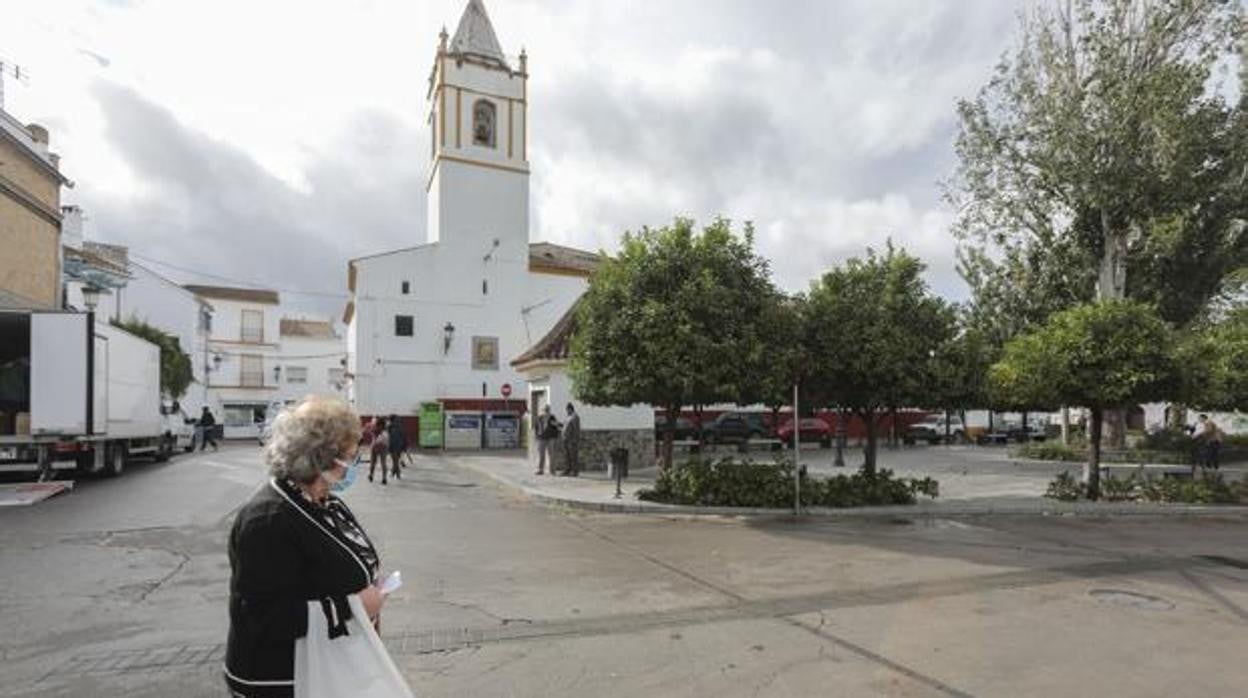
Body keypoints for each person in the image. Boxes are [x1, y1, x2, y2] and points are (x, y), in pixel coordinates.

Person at [224, 396, 384, 698]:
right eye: (350, 456)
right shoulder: (267, 520)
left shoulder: (324, 500)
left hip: (327, 668)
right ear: (319, 458)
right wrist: (353, 608)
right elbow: (265, 618)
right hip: (281, 681)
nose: (354, 464)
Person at [534, 405, 560, 475]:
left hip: (550, 438)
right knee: (541, 454)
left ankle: (552, 470)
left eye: (547, 410)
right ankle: (540, 469)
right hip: (541, 438)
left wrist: (555, 424)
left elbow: (557, 427)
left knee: (551, 454)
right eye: (545, 410)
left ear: (549, 411)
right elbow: (536, 428)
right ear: (543, 411)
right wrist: (537, 437)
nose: (546, 412)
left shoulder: (552, 417)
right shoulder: (539, 418)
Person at [562, 403, 581, 477]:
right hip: (566, 439)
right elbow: (565, 426)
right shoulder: (568, 416)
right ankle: (567, 470)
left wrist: (575, 440)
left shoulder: (575, 417)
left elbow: (576, 429)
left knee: (573, 456)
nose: (566, 411)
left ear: (570, 409)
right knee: (567, 456)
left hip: (572, 440)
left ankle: (575, 471)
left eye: (567, 410)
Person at [386, 415, 407, 481]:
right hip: (398, 446)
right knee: (395, 460)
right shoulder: (399, 426)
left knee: (395, 460)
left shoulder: (390, 427)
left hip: (393, 446)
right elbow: (403, 436)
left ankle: (396, 473)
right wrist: (404, 446)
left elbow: (389, 437)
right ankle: (396, 473)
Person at [369, 417, 389, 484]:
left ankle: (371, 475)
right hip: (384, 446)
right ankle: (384, 478)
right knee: (383, 462)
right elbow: (387, 439)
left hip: (375, 446)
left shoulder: (375, 429)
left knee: (373, 462)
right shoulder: (385, 429)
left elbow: (371, 432)